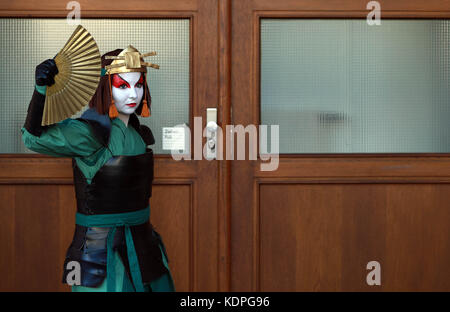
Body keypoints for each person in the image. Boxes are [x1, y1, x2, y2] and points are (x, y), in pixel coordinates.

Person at [21, 46, 175, 292]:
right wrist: (41, 90)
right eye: (122, 86)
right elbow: (32, 138)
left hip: (143, 246)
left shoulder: (138, 133)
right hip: (99, 252)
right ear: (106, 86)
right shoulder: (89, 132)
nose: (132, 94)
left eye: (138, 85)